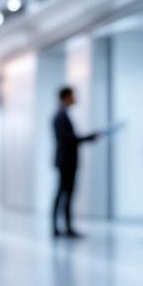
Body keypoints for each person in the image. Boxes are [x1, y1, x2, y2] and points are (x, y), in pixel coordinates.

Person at [52, 86, 98, 238]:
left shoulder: (63, 115)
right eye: (73, 96)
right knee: (62, 193)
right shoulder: (60, 116)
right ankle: (57, 227)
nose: (75, 99)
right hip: (65, 162)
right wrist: (88, 138)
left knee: (67, 194)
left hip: (68, 161)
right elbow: (67, 139)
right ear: (66, 97)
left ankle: (66, 227)